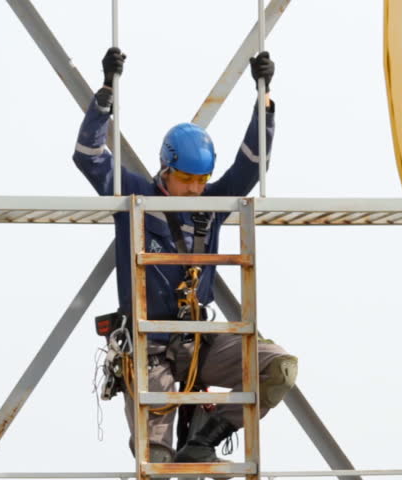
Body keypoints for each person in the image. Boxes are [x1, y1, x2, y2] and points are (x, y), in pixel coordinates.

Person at [73, 47, 297, 465]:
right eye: (186, 179)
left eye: (201, 180)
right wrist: (105, 94)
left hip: (198, 343)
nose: (195, 189)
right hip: (151, 346)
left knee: (277, 368)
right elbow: (88, 158)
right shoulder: (134, 195)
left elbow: (251, 166)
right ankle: (170, 454)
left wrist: (263, 104)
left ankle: (207, 438)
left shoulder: (210, 203)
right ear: (166, 169)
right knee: (155, 460)